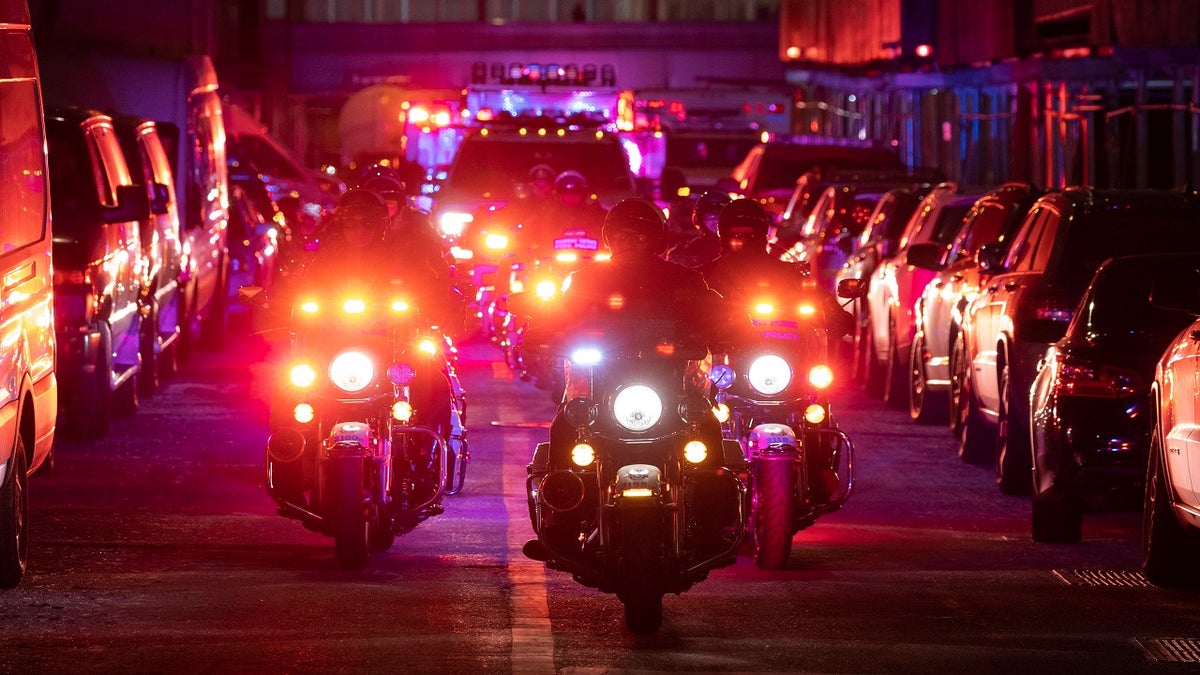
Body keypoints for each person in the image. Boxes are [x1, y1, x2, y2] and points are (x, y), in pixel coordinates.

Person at [702, 198, 854, 340]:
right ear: (723, 235)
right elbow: (685, 304)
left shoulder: (788, 273)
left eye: (751, 235)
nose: (744, 241)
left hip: (783, 352)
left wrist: (838, 315)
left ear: (762, 235)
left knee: (819, 367)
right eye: (737, 235)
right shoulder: (704, 274)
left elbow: (815, 296)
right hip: (720, 358)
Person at [666, 191, 729, 269]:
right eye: (710, 217)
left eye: (720, 216)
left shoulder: (740, 247)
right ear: (699, 219)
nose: (716, 221)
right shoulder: (686, 251)